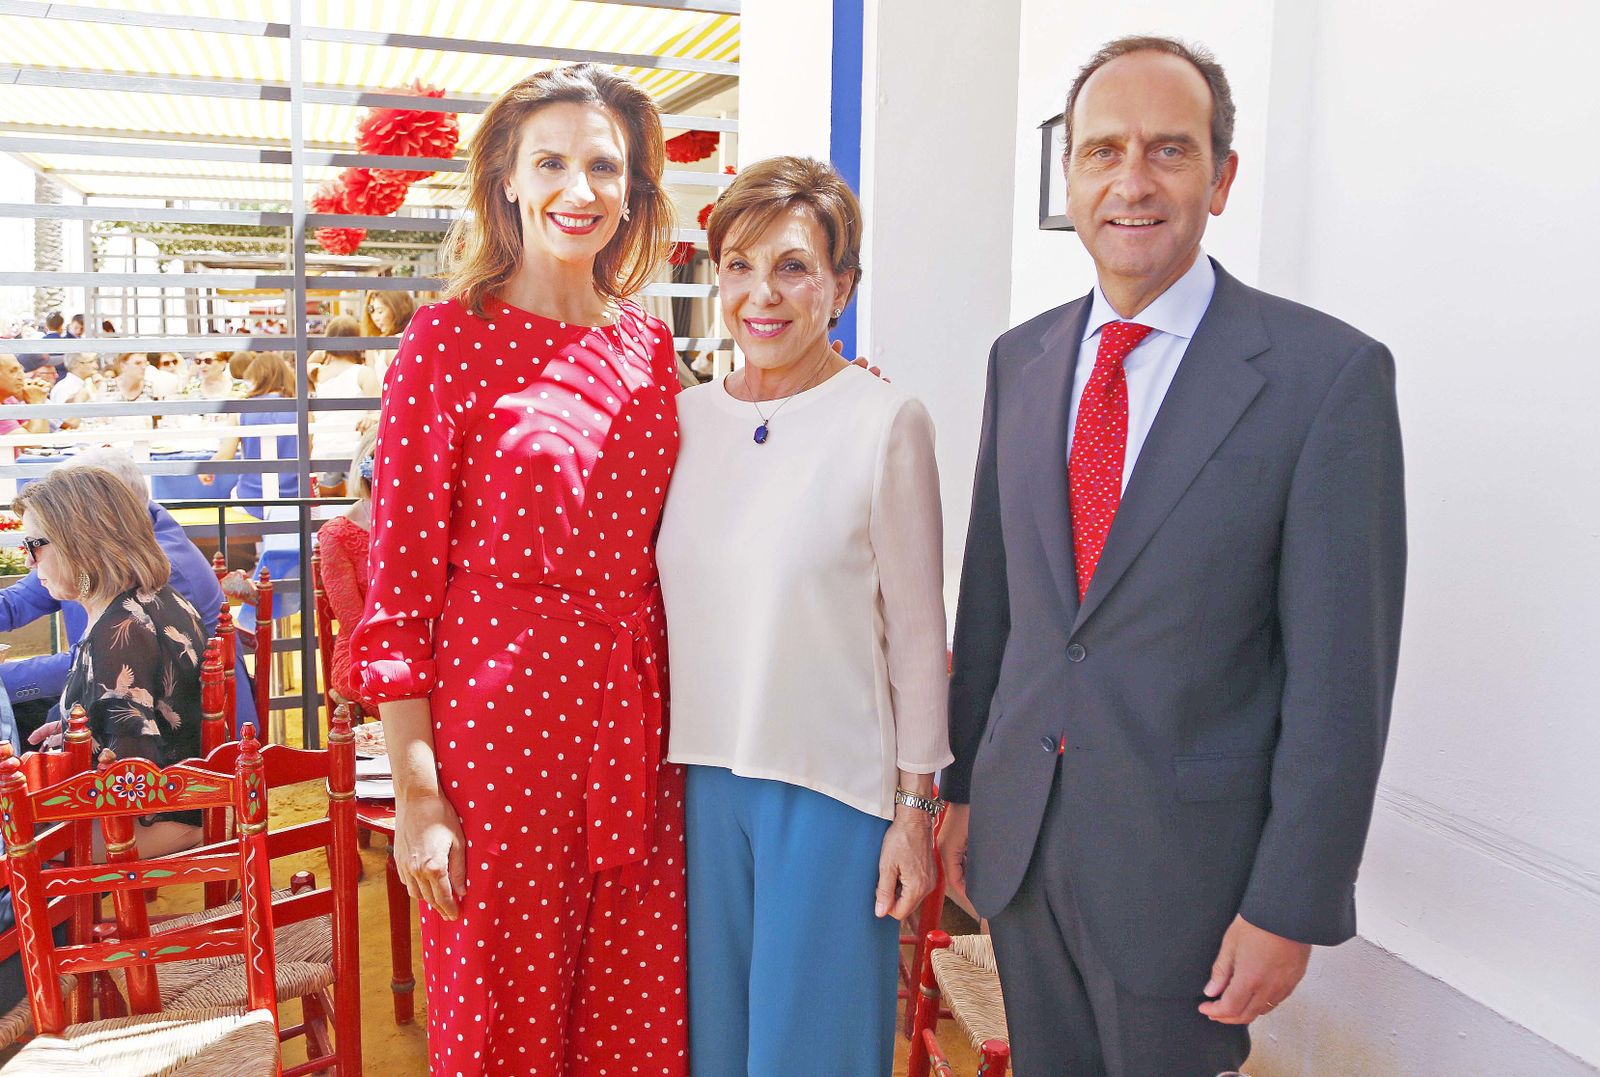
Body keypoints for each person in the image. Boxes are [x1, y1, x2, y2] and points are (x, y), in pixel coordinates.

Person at [939, 36, 1407, 1076]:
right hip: (1021, 850)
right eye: (1103, 151)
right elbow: (995, 604)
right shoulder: (1020, 361)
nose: (1132, 182)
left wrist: (1291, 902)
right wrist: (963, 788)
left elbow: (1342, 679)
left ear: (1221, 178)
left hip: (1189, 878)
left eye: (1169, 150)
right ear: (1070, 179)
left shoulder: (1324, 378)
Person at [347, 63, 688, 1075]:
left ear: (632, 187)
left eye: (603, 166)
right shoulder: (446, 341)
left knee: (634, 1017)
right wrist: (419, 797)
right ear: (504, 178)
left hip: (639, 728)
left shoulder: (649, 346)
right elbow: (398, 598)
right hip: (499, 740)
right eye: (550, 163)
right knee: (502, 1024)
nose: (579, 190)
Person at [655, 156, 950, 1074]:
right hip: (697, 785)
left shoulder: (886, 421)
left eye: (793, 267)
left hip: (831, 791)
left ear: (841, 286)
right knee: (714, 1051)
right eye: (739, 266)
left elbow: (918, 637)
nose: (763, 294)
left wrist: (916, 812)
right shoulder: (681, 421)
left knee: (809, 1054)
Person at [13, 466, 208, 858]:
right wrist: (76, 732)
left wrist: (52, 770)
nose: (29, 563)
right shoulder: (152, 597)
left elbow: (130, 782)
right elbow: (146, 717)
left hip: (147, 823)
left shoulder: (118, 633)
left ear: (79, 543)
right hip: (186, 801)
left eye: (33, 545)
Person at [0, 448, 228, 734]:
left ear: (82, 533)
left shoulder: (126, 619)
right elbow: (15, 603)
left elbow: (131, 757)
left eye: (32, 545)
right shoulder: (116, 574)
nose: (28, 561)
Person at [315, 430, 376, 706]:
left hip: (424, 646)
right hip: (361, 652)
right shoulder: (337, 534)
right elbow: (353, 622)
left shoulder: (427, 523)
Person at [201, 350, 299, 516]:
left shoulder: (241, 409)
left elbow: (226, 454)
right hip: (294, 495)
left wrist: (206, 469)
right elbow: (307, 451)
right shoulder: (300, 409)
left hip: (250, 496)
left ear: (255, 376)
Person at [308, 314, 377, 493]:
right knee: (355, 504)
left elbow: (307, 363)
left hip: (322, 451)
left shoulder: (317, 373)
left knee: (328, 507)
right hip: (354, 453)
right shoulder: (363, 373)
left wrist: (325, 348)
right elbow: (378, 411)